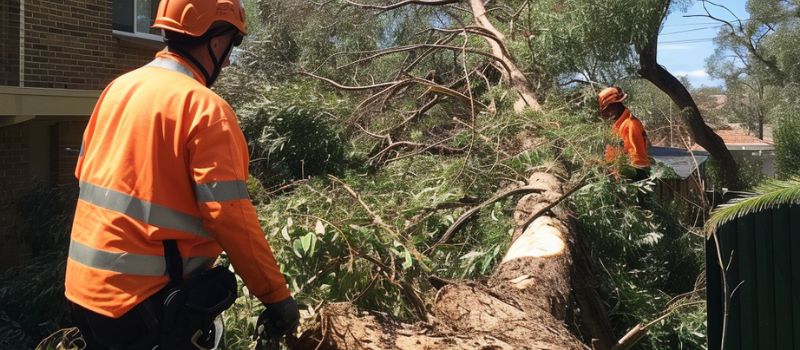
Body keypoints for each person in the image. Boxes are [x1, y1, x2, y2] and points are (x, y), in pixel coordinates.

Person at [63, 0, 299, 348]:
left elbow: (84, 175)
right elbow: (230, 216)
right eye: (231, 45)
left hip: (82, 292)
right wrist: (277, 298)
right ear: (215, 41)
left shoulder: (117, 90)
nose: (230, 59)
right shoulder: (205, 109)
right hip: (141, 306)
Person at [597, 86, 651, 181]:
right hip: (619, 172)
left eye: (606, 110)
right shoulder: (617, 124)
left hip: (635, 176)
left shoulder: (631, 124)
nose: (605, 114)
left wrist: (624, 176)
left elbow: (638, 159)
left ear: (615, 105)